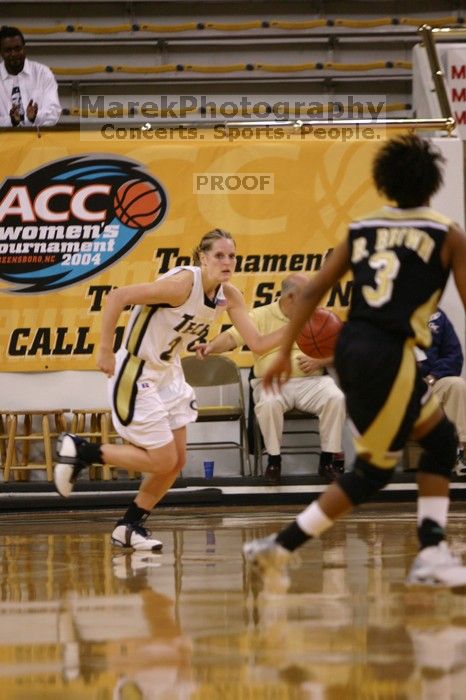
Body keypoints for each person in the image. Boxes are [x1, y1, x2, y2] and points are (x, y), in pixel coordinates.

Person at [243, 134, 466, 588]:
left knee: (441, 442)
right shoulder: (448, 234)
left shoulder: (361, 229)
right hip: (390, 355)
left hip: (352, 352)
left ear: (384, 183)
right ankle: (277, 547)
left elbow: (310, 292)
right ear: (433, 182)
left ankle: (431, 550)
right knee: (374, 472)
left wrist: (284, 352)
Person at [54, 229, 285, 551]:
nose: (227, 261)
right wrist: (105, 349)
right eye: (219, 255)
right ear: (202, 259)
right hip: (137, 369)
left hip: (168, 372)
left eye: (232, 255)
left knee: (175, 463)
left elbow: (258, 344)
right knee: (162, 461)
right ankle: (81, 451)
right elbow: (117, 297)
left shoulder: (229, 296)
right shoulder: (180, 287)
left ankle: (129, 526)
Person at [199, 273, 346, 484]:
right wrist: (212, 346)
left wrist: (320, 362)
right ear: (291, 298)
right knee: (268, 402)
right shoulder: (260, 315)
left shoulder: (320, 317)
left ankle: (328, 461)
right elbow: (231, 337)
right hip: (273, 382)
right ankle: (274, 461)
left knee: (335, 397)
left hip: (311, 382)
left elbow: (344, 350)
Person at [418, 308, 466, 476]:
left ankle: (460, 454)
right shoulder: (386, 312)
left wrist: (433, 376)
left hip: (429, 382)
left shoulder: (437, 315)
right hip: (397, 387)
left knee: (456, 385)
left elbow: (454, 356)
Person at [0, 25, 61, 127]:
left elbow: (54, 112)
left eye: (17, 49)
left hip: (38, 140)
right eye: (8, 50)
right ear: (1, 52)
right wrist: (11, 122)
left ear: (24, 48)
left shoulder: (43, 73)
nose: (14, 54)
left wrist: (33, 118)